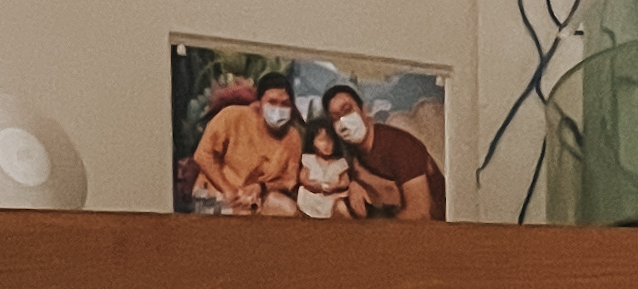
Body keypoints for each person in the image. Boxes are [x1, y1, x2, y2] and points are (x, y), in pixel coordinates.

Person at [316, 79, 445, 218]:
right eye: (335, 118)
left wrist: (379, 236)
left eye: (347, 110)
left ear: (364, 111)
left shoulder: (400, 145)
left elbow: (420, 212)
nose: (343, 122)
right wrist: (354, 185)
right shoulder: (351, 152)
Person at [185, 69, 303, 216]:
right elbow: (203, 155)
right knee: (241, 220)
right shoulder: (232, 116)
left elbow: (289, 180)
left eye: (284, 104)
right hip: (215, 193)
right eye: (272, 102)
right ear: (259, 102)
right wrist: (229, 190)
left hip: (257, 198)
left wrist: (262, 187)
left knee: (290, 212)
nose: (278, 109)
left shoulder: (292, 137)